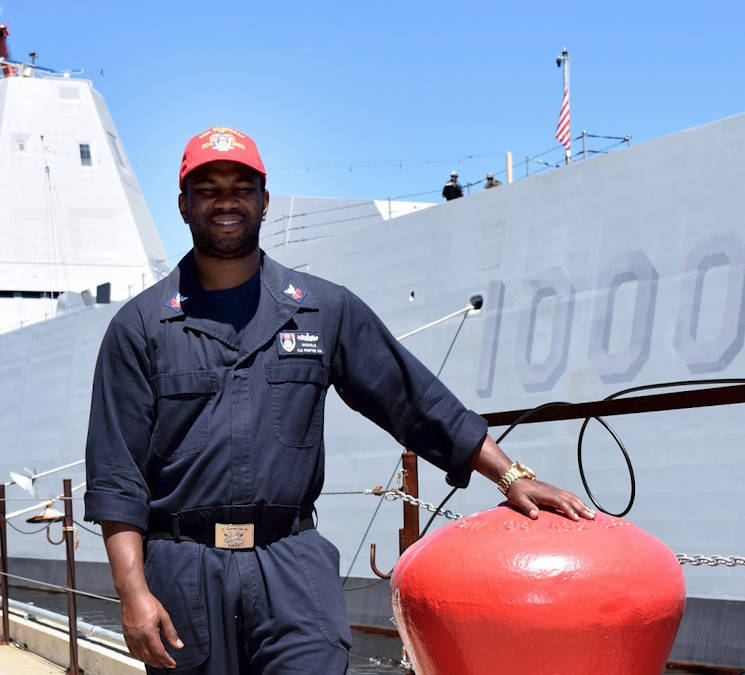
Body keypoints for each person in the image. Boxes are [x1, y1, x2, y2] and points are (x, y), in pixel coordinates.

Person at [84, 126, 595, 674]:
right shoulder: (140, 327)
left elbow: (411, 398)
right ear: (184, 205)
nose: (226, 200)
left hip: (290, 563)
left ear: (264, 200)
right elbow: (117, 475)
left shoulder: (322, 310)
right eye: (208, 188)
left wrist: (510, 474)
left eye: (241, 186)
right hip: (185, 570)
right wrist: (132, 591)